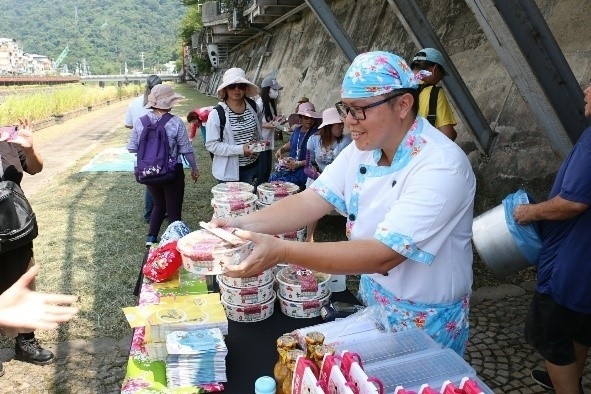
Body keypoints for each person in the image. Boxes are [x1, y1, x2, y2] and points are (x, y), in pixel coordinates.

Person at [212, 51, 476, 355]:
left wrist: (282, 251)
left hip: (427, 319)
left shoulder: (441, 164)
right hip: (374, 301)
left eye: (359, 110)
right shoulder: (365, 148)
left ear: (403, 105)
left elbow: (383, 255)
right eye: (346, 109)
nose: (349, 122)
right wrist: (238, 223)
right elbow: (312, 200)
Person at [512, 81, 591, 394]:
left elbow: (573, 201)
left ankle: (566, 386)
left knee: (551, 335)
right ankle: (568, 377)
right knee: (582, 326)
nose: (585, 89)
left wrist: (529, 213)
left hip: (569, 265)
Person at [0, 119, 57, 370]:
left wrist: (30, 148)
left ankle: (26, 341)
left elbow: (35, 168)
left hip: (12, 222)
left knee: (22, 277)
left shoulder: (7, 136)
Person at [127, 84, 200, 247]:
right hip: (171, 172)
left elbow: (132, 147)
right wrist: (194, 168)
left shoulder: (140, 122)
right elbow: (186, 150)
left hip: (149, 172)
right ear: (170, 103)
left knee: (159, 204)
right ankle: (175, 246)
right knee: (174, 210)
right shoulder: (175, 123)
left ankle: (151, 239)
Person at [205, 68, 263, 186]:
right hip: (228, 172)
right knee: (233, 203)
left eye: (241, 85)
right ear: (225, 89)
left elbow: (257, 130)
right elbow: (212, 145)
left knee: (250, 202)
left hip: (252, 167)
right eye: (232, 86)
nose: (237, 89)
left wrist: (257, 145)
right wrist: (241, 149)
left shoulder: (253, 107)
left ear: (245, 88)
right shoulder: (217, 114)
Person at [303, 107, 351, 242]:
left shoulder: (345, 142)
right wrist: (316, 174)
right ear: (329, 126)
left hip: (339, 179)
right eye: (339, 124)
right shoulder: (313, 140)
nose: (342, 127)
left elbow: (348, 167)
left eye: (342, 124)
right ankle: (309, 237)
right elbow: (307, 165)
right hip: (318, 177)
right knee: (312, 200)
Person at [124, 75, 163, 223]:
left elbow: (128, 124)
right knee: (159, 178)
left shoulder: (134, 103)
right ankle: (152, 213)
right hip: (158, 145)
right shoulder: (161, 103)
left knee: (150, 179)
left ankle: (151, 212)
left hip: (142, 147)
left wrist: (138, 126)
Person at [270, 101, 321, 190]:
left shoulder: (317, 134)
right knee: (273, 179)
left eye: (311, 118)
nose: (309, 120)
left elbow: (318, 157)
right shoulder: (297, 130)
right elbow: (291, 143)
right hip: (291, 166)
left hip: (305, 168)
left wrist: (298, 164)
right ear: (300, 118)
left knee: (286, 184)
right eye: (306, 118)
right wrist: (282, 149)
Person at [410, 48, 458, 141]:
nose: (440, 78)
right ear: (435, 69)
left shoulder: (400, 88)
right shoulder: (435, 93)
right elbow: (448, 135)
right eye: (442, 74)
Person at [258, 72, 284, 185]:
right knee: (262, 170)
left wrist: (279, 120)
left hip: (268, 141)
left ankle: (263, 188)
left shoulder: (270, 103)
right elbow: (254, 123)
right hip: (261, 142)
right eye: (274, 89)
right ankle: (258, 189)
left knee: (267, 169)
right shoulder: (259, 104)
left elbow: (270, 119)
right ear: (267, 89)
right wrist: (266, 125)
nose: (276, 92)